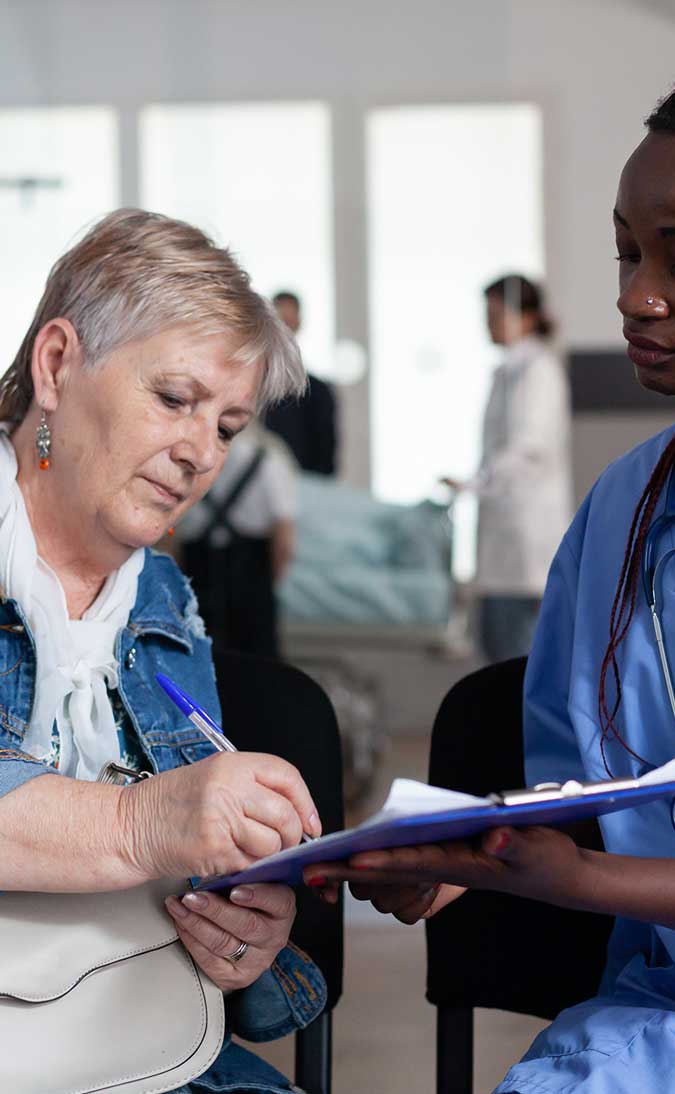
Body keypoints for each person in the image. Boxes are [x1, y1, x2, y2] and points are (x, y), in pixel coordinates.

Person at [305, 49, 675, 1092]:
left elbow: (589, 851)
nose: (637, 298)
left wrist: (586, 875)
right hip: (671, 1018)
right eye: (625, 256)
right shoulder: (620, 512)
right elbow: (573, 786)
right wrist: (457, 863)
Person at [0, 208, 326, 1094]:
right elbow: (150, 826)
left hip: (142, 1039)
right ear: (58, 365)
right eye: (174, 399)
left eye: (226, 427)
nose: (197, 454)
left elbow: (189, 871)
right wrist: (138, 823)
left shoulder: (165, 603)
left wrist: (242, 932)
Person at [443, 275, 572, 663]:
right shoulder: (509, 370)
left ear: (528, 318)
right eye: (487, 314)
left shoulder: (537, 370)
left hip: (525, 539)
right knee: (499, 653)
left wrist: (474, 483)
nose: (489, 323)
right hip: (505, 540)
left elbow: (529, 450)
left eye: (497, 314)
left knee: (517, 660)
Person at [179, 420, 298, 659]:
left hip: (197, 563)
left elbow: (171, 534)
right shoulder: (270, 459)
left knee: (198, 654)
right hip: (252, 567)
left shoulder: (190, 457)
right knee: (257, 660)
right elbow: (284, 540)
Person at [263, 291, 338, 475]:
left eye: (289, 322)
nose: (285, 329)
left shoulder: (317, 391)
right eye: (280, 321)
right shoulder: (249, 382)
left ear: (298, 324)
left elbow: (326, 457)